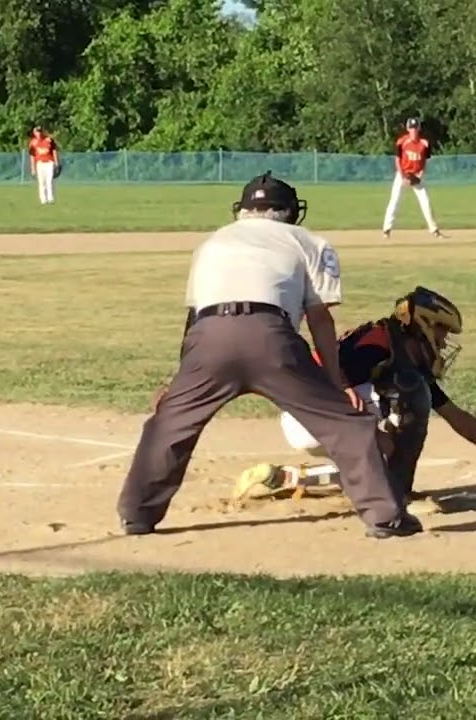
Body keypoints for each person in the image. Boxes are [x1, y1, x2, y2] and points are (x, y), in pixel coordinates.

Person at [116, 171, 422, 539]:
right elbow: (320, 320)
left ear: (243, 211)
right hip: (271, 336)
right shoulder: (309, 240)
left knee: (169, 425)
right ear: (290, 211)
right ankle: (385, 516)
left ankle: (137, 514)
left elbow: (194, 318)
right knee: (347, 425)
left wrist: (177, 382)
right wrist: (337, 382)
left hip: (208, 338)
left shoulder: (212, 243)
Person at [265, 287, 476, 500]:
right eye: (442, 332)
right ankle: (398, 495)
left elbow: (456, 417)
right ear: (425, 323)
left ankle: (288, 479)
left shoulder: (401, 351)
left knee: (385, 461)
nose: (444, 341)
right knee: (398, 423)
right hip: (311, 416)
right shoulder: (379, 343)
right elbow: (322, 368)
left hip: (318, 417)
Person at [382, 118, 443, 239]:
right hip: (402, 174)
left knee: (425, 202)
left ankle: (434, 229)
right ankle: (386, 229)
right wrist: (403, 176)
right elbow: (397, 160)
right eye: (411, 128)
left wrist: (421, 174)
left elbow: (425, 161)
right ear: (408, 129)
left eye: (415, 128)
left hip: (416, 176)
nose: (413, 130)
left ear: (418, 129)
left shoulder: (424, 144)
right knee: (394, 201)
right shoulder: (402, 142)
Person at [27, 126, 60, 205]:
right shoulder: (33, 142)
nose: (39, 133)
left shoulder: (49, 140)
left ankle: (50, 198)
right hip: (40, 164)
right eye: (37, 132)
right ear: (34, 133)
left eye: (40, 131)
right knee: (41, 182)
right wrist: (32, 167)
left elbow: (54, 151)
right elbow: (32, 155)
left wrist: (56, 162)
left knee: (49, 181)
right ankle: (43, 200)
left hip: (49, 162)